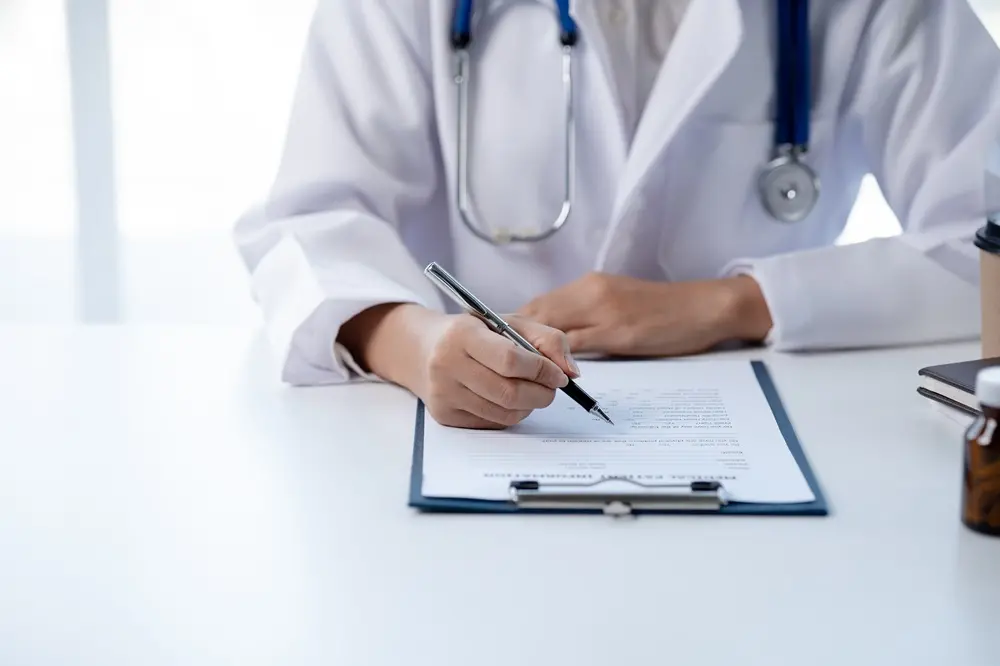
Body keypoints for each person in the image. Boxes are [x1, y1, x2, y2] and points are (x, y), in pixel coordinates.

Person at [234, 0, 1000, 429]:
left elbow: (989, 233)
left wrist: (737, 303)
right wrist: (414, 342)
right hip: (470, 436)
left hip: (766, 440)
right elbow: (313, 219)